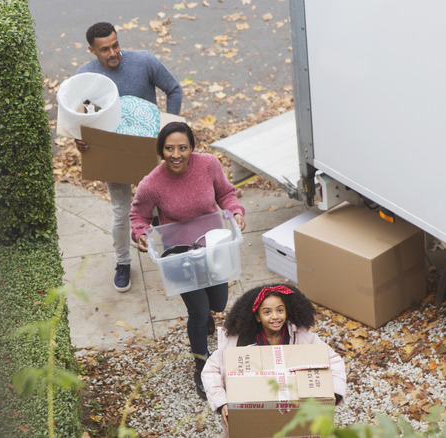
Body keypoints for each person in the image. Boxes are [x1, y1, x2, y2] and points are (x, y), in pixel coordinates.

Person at [130, 121, 246, 399]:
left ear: (192, 147)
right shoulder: (152, 184)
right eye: (169, 148)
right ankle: (201, 366)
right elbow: (138, 216)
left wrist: (235, 210)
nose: (176, 154)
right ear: (161, 150)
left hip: (213, 247)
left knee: (217, 304)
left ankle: (207, 313)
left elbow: (226, 193)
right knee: (197, 312)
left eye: (183, 147)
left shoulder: (208, 165)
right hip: (179, 256)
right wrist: (140, 234)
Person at [75, 22, 183, 292]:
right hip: (113, 155)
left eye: (115, 45)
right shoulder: (86, 75)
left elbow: (175, 89)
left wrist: (168, 130)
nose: (113, 53)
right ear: (91, 50)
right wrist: (81, 139)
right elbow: (79, 115)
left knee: (162, 206)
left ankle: (171, 253)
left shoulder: (144, 61)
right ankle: (123, 262)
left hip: (148, 149)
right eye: (104, 49)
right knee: (121, 212)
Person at [201, 284, 347, 434]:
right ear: (257, 316)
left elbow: (334, 360)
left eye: (280, 310)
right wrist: (221, 402)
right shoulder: (236, 342)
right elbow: (211, 370)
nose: (275, 316)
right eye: (267, 312)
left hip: (295, 418)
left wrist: (333, 393)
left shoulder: (303, 337)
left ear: (287, 312)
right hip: (251, 418)